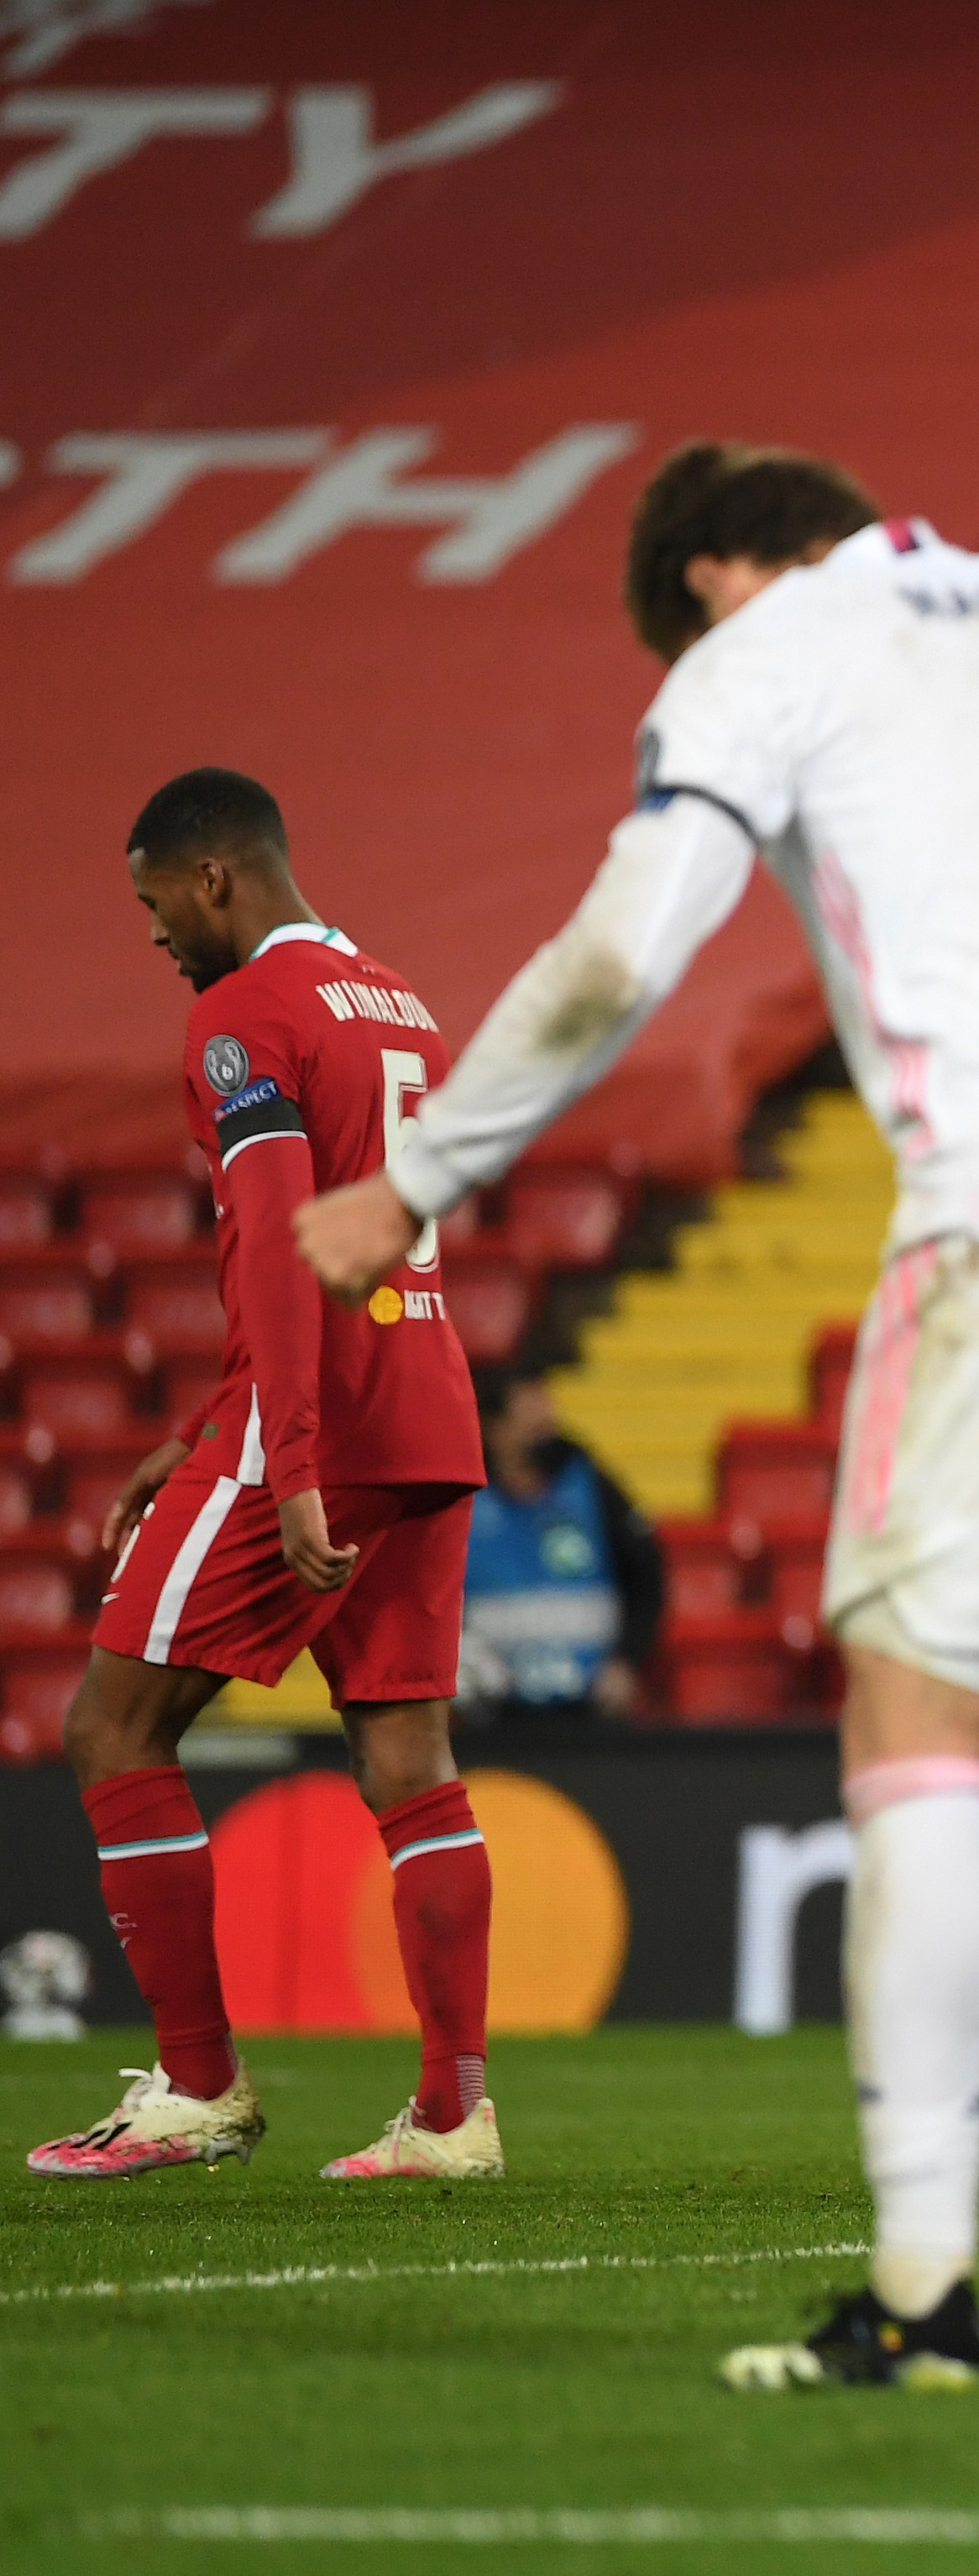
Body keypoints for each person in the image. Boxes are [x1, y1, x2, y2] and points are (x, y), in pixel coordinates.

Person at [293, 441, 979, 2385]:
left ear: (714, 578)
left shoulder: (772, 648)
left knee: (918, 1729)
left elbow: (621, 952)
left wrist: (420, 1177)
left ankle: (921, 2291)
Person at [29, 768, 500, 2187]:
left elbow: (290, 1247)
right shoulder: (395, 1001)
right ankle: (453, 2115)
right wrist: (205, 1423)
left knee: (113, 1726)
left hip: (321, 1426)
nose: (154, 930)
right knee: (410, 1759)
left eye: (154, 899)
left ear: (214, 877)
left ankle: (197, 2085)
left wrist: (281, 1457)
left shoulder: (245, 1014)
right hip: (425, 1410)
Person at [461, 1365, 664, 1718]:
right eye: (532, 1421)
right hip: (494, 1713)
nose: (547, 1425)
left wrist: (626, 1660)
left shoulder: (588, 1483)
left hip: (591, 1708)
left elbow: (647, 1573)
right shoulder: (464, 1502)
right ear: (494, 1429)